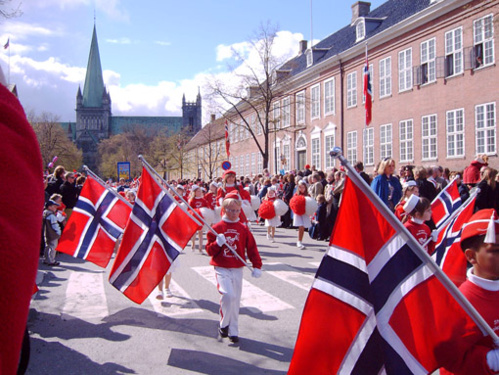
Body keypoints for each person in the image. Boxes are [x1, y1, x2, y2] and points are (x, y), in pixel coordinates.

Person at [440, 209, 499, 375]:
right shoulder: (461, 303)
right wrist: (492, 360)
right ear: (472, 256)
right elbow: (451, 360)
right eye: (496, 250)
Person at [205, 191, 263, 343]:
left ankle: (233, 330)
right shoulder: (217, 228)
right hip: (222, 267)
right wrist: (217, 243)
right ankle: (224, 324)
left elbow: (251, 248)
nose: (234, 213)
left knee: (235, 299)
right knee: (228, 295)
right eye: (231, 210)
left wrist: (257, 265)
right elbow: (209, 250)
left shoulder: (243, 229)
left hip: (237, 267)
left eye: (237, 210)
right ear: (224, 210)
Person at [291, 180, 311, 249]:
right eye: (300, 187)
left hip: (305, 212)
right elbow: (293, 203)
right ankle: (299, 241)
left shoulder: (307, 195)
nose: (302, 189)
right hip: (298, 212)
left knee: (303, 227)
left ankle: (300, 240)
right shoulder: (296, 194)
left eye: (303, 187)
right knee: (301, 226)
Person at [188, 185, 209, 252]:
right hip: (194, 218)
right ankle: (193, 244)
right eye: (198, 191)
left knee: (201, 232)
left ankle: (200, 247)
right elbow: (189, 209)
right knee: (194, 232)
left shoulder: (204, 200)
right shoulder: (192, 200)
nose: (199, 192)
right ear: (195, 192)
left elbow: (206, 208)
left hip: (201, 218)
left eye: (200, 191)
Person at [43, 200, 61, 266]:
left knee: (47, 246)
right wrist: (58, 232)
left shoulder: (44, 214)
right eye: (54, 206)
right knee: (53, 247)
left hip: (46, 233)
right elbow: (55, 225)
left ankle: (46, 259)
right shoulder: (52, 216)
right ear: (49, 207)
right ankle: (52, 260)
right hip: (53, 234)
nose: (55, 208)